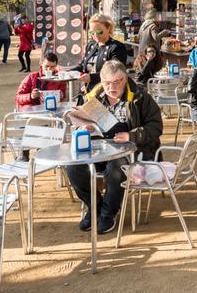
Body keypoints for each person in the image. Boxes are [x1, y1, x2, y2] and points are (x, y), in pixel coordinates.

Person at [66, 60, 162, 233]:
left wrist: (131, 135)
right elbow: (80, 122)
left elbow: (156, 127)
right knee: (74, 167)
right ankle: (95, 207)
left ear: (125, 78)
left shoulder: (140, 97)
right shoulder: (94, 97)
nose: (111, 87)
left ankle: (108, 213)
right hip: (101, 148)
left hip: (135, 150)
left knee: (115, 168)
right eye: (107, 83)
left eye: (117, 81)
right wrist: (84, 128)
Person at [73, 13, 128, 93]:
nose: (95, 35)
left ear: (108, 28)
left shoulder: (117, 47)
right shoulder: (91, 45)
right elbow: (82, 65)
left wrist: (91, 78)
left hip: (108, 92)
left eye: (99, 32)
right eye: (92, 33)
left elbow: (115, 72)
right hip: (90, 91)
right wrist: (68, 72)